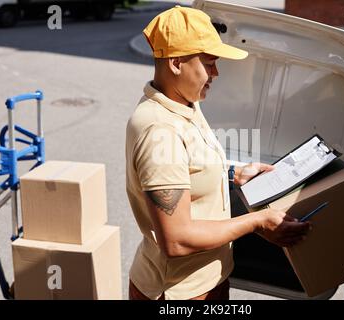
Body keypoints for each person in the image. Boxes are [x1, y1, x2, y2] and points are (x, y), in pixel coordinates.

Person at [125, 5, 311, 300]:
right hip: (180, 292)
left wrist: (233, 174)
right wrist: (257, 222)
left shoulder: (185, 103)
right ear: (176, 62)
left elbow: (190, 166)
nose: (216, 73)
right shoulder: (160, 130)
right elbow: (177, 240)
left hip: (209, 280)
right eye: (209, 63)